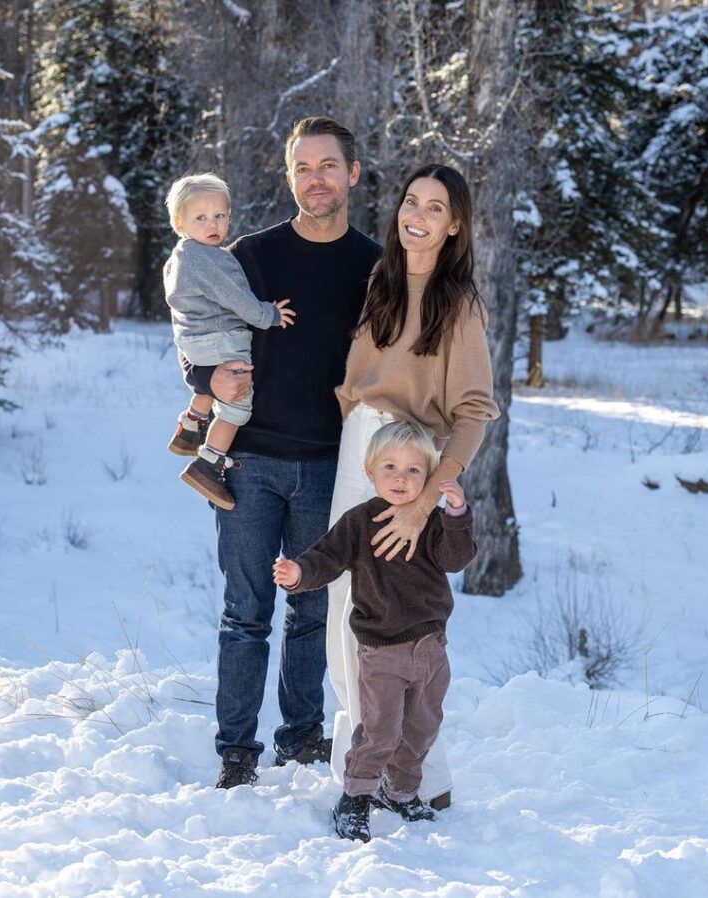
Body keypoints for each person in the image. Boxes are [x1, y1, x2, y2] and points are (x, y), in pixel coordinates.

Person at [183, 117, 381, 789]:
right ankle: (236, 751)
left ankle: (300, 736)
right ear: (289, 175)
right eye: (303, 167)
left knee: (314, 609)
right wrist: (202, 382)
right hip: (252, 462)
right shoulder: (250, 255)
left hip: (333, 464)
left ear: (352, 174)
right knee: (246, 613)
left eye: (328, 165)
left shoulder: (374, 265)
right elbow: (200, 331)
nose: (315, 177)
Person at [326, 163, 500, 809]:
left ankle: (421, 776)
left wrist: (427, 498)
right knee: (345, 613)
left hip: (408, 462)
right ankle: (373, 767)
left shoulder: (459, 305)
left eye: (434, 208)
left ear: (455, 226)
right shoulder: (384, 279)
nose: (416, 216)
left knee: (392, 621)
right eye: (409, 202)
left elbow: (475, 412)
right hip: (359, 449)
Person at [274, 421, 476, 843]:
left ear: (429, 476)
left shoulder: (432, 522)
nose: (401, 479)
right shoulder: (360, 522)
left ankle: (400, 792)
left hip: (430, 648)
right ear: (370, 472)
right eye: (390, 467)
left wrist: (456, 515)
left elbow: (456, 560)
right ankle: (355, 797)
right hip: (382, 650)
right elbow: (326, 558)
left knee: (422, 725)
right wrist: (299, 573)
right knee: (380, 730)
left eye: (413, 471)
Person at [163, 172, 297, 510]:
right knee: (236, 406)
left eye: (220, 216)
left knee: (213, 384)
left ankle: (192, 425)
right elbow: (238, 300)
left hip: (195, 340)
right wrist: (269, 315)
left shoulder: (180, 256)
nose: (213, 224)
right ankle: (208, 464)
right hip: (220, 338)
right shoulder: (209, 259)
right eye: (201, 217)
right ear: (180, 222)